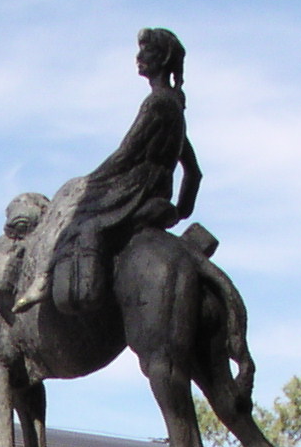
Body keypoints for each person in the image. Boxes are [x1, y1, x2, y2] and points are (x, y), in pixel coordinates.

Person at [16, 27, 200, 315]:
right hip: (158, 193)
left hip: (137, 189)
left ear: (162, 59)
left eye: (146, 52)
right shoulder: (174, 104)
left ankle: (46, 281)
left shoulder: (156, 103)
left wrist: (89, 182)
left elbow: (127, 152)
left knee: (75, 220)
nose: (139, 58)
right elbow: (194, 172)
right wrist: (180, 211)